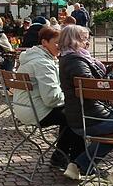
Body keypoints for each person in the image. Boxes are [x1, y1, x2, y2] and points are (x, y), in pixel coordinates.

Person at [58, 25, 113, 185]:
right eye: (85, 39)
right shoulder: (75, 61)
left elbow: (102, 74)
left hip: (83, 116)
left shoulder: (72, 58)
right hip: (90, 118)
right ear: (74, 41)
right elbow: (96, 85)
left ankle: (77, 166)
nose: (88, 43)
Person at [13, 26, 85, 168]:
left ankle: (61, 155)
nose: (60, 47)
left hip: (25, 108)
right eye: (57, 43)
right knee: (78, 116)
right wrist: (72, 96)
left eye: (62, 43)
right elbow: (51, 99)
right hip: (36, 111)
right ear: (44, 42)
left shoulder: (36, 57)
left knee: (72, 114)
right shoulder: (43, 63)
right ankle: (79, 162)